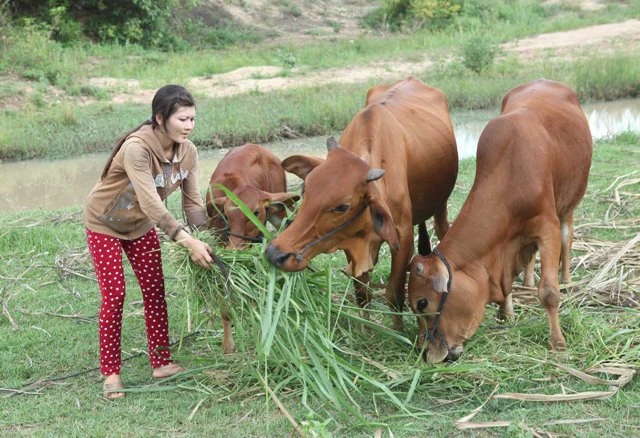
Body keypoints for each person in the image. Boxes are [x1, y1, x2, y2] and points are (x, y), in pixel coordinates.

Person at [83, 84, 213, 399]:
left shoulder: (189, 152)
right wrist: (184, 240)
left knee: (155, 292)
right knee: (115, 295)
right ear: (160, 118)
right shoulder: (137, 149)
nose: (189, 126)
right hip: (104, 223)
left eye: (192, 119)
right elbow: (152, 203)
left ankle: (161, 363)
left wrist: (206, 239)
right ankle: (111, 374)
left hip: (140, 226)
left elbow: (193, 203)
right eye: (182, 119)